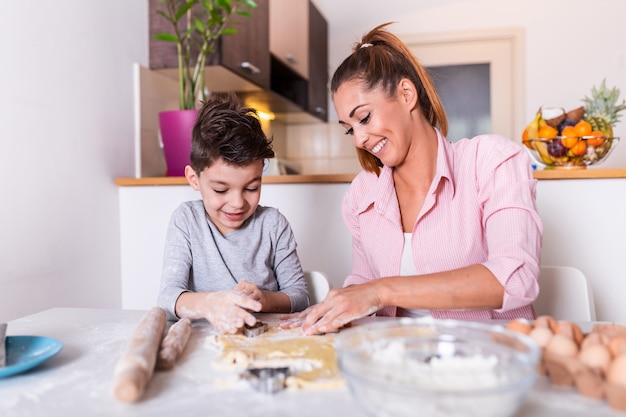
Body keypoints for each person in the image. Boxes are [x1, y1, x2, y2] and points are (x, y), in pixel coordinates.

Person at [280, 23, 543, 335]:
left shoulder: (491, 161)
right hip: (399, 359)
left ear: (406, 94)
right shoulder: (362, 194)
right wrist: (338, 309)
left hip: (490, 360)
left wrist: (382, 291)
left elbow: (514, 276)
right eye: (349, 128)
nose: (359, 139)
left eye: (363, 118)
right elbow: (363, 284)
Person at [157, 92, 310, 334]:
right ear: (193, 179)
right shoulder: (186, 220)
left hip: (264, 340)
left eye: (252, 188)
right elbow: (167, 297)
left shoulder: (273, 224)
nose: (237, 203)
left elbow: (300, 296)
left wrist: (265, 300)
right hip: (204, 342)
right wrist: (210, 304)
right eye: (221, 189)